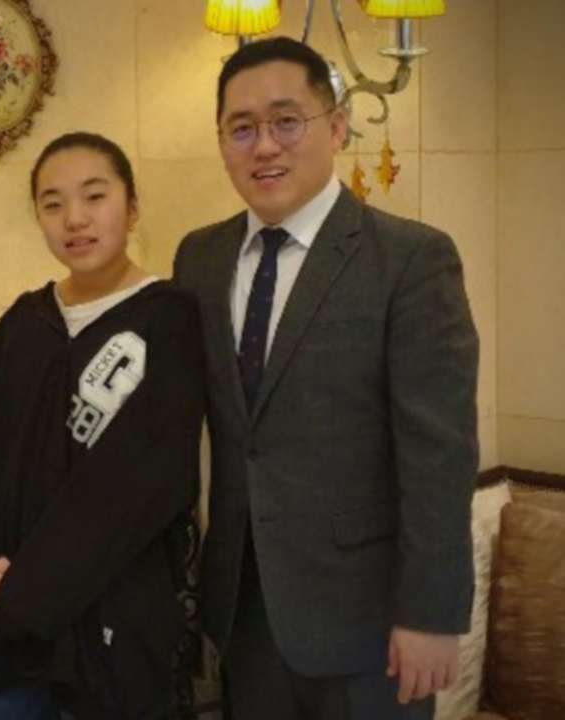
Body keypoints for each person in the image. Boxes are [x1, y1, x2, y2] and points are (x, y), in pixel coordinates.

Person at [173, 37, 479, 720]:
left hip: (370, 622)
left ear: (337, 126)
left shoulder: (410, 260)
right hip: (245, 611)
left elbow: (440, 454)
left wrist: (431, 613)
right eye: (241, 128)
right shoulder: (200, 258)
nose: (264, 146)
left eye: (287, 121)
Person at [0, 132, 205, 720]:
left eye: (95, 196)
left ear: (132, 208)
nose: (75, 219)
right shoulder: (24, 322)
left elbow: (152, 480)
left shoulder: (169, 317)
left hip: (117, 630)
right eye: (53, 203)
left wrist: (29, 591)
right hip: (13, 632)